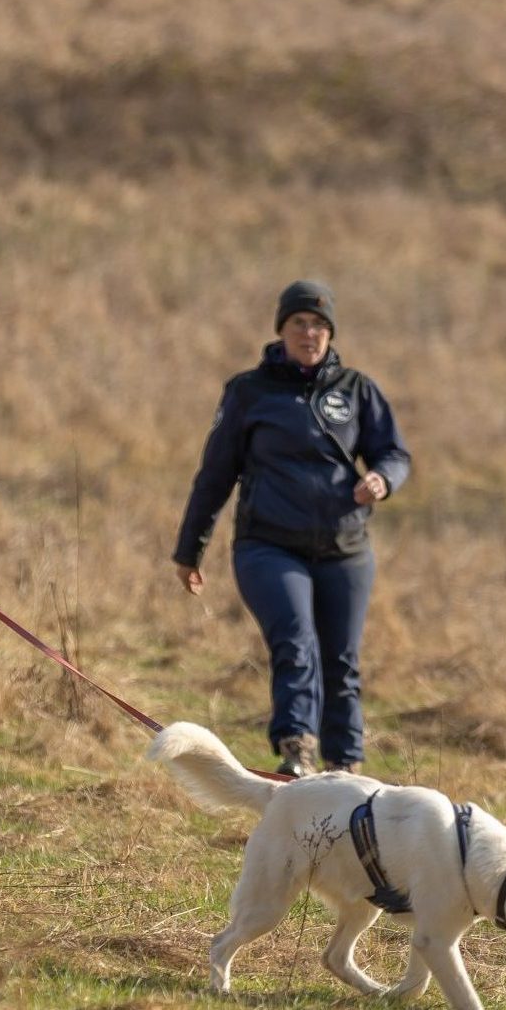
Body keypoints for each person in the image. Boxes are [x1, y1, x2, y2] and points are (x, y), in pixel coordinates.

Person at [173, 280, 411, 777]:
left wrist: (381, 478)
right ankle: (296, 752)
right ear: (281, 329)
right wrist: (190, 547)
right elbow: (216, 473)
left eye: (321, 325)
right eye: (300, 322)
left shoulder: (356, 389)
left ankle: (345, 767)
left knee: (341, 660)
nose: (311, 333)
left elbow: (394, 452)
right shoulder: (248, 392)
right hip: (269, 547)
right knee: (296, 641)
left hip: (345, 549)